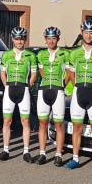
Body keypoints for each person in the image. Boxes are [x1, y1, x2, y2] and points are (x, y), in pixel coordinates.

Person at [65, 20, 92, 173]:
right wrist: (78, 86)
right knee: (77, 128)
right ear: (81, 33)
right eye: (86, 32)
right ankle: (75, 158)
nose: (88, 35)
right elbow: (70, 74)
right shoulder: (74, 53)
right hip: (78, 92)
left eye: (91, 33)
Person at [0, 27, 37, 162]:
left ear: (25, 39)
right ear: (12, 39)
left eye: (21, 39)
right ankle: (5, 150)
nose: (19, 42)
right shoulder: (6, 55)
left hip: (23, 90)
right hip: (10, 89)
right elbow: (2, 73)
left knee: (25, 121)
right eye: (16, 39)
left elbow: (34, 74)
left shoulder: (31, 56)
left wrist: (28, 85)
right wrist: (6, 86)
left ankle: (26, 152)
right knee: (6, 121)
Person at [35, 26, 70, 166]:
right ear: (45, 40)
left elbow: (69, 72)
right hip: (44, 90)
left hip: (58, 91)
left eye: (53, 38)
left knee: (59, 124)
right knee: (42, 123)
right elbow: (41, 72)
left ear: (58, 39)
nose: (51, 41)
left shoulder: (64, 54)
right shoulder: (41, 55)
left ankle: (58, 154)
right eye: (48, 38)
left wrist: (62, 84)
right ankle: (42, 153)